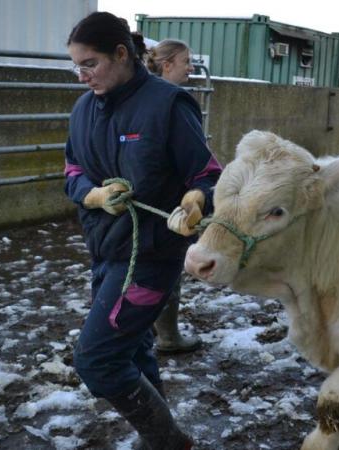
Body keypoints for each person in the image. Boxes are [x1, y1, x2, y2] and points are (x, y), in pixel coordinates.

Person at [63, 12, 221, 449]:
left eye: (89, 64)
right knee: (131, 349)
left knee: (97, 360)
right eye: (75, 65)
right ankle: (159, 438)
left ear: (121, 54)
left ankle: (170, 442)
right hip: (103, 248)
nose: (81, 76)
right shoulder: (82, 109)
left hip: (150, 258)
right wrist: (92, 195)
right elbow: (72, 170)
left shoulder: (168, 105)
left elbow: (206, 174)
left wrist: (195, 200)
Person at [145, 38, 202, 354]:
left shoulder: (135, 97)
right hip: (167, 200)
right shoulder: (174, 101)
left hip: (142, 200)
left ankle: (152, 332)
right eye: (186, 62)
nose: (191, 68)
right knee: (167, 268)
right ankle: (166, 336)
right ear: (167, 64)